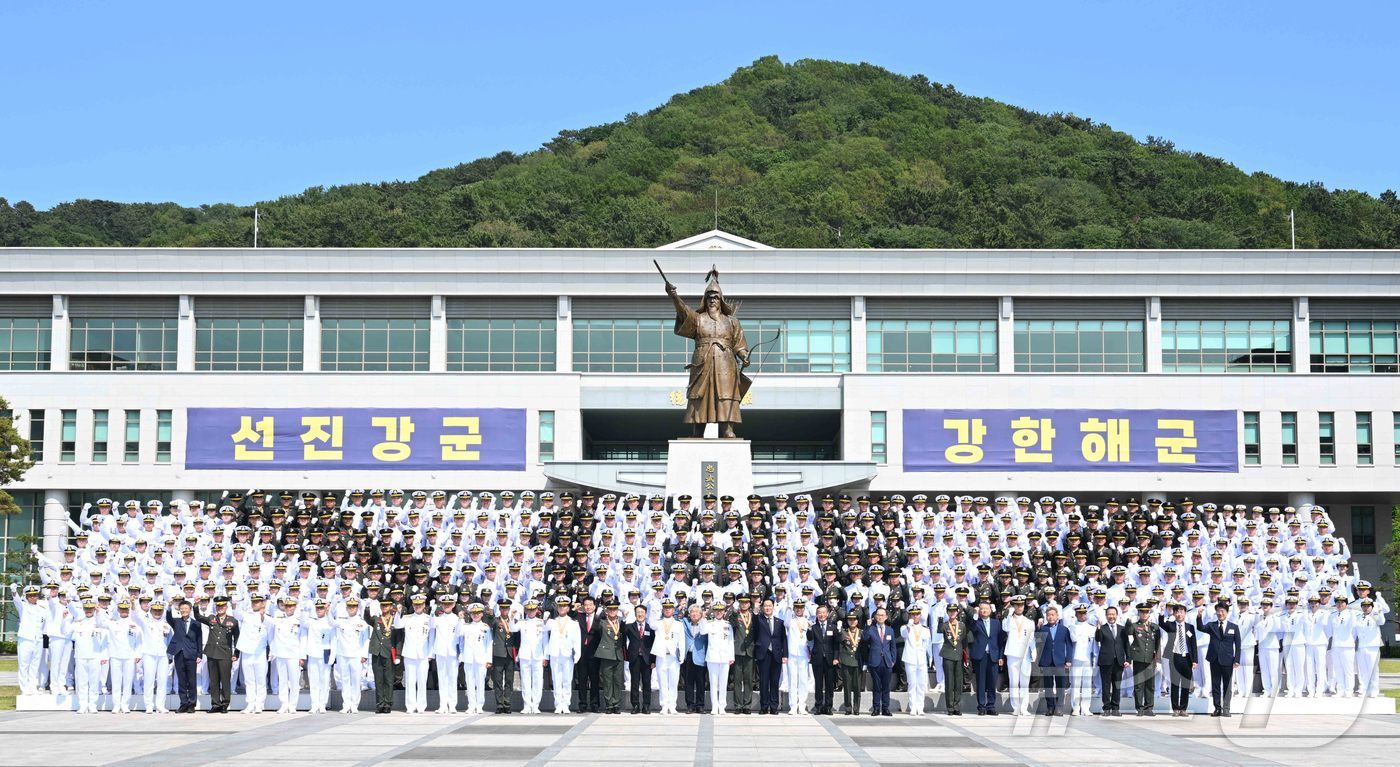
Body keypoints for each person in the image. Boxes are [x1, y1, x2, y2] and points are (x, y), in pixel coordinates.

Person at [1197, 601, 1242, 717]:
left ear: (1227, 612)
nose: (1220, 613)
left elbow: (1238, 645)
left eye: (1222, 611)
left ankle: (1226, 708)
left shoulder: (1234, 627)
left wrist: (1237, 659)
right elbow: (1200, 627)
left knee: (1227, 685)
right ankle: (1217, 708)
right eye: (1218, 611)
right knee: (1215, 685)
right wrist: (1199, 616)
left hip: (1228, 660)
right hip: (1214, 659)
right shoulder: (1211, 625)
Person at [1160, 602, 1198, 716]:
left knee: (1186, 684)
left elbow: (1193, 645)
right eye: (1177, 612)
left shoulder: (1190, 627)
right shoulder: (1171, 625)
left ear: (1185, 613)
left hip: (1187, 658)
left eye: (1181, 611)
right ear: (1174, 613)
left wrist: (1195, 660)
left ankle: (1183, 709)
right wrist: (1162, 612)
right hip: (1174, 657)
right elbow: (1161, 623)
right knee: (1175, 684)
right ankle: (1175, 708)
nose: (1179, 614)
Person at [234, 594, 271, 714]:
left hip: (260, 652)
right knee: (249, 680)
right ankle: (250, 703)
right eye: (253, 601)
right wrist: (236, 601)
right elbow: (236, 613)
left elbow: (271, 631)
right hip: (247, 651)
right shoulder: (246, 615)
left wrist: (262, 616)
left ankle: (259, 704)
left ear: (263, 603)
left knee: (260, 680)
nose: (255, 603)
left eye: (258, 601)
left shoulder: (268, 617)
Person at [332, 597, 370, 714]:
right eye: (349, 606)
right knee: (345, 680)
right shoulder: (341, 620)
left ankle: (354, 704)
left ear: (357, 608)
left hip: (356, 655)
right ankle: (346, 704)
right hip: (342, 654)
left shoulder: (362, 623)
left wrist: (364, 654)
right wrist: (329, 609)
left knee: (356, 680)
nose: (351, 608)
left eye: (354, 606)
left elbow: (366, 640)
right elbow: (330, 622)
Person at [1034, 605, 1073, 716]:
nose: (1050, 617)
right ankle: (1050, 707)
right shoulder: (1043, 628)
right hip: (1047, 661)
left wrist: (1068, 659)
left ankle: (1059, 707)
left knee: (1061, 685)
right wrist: (1038, 628)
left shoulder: (1064, 629)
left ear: (1057, 616)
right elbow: (1037, 642)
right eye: (1048, 615)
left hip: (1060, 661)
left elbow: (1069, 646)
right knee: (1048, 686)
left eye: (1052, 615)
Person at [135, 600, 173, 714]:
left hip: (163, 655)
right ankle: (149, 706)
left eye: (159, 610)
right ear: (151, 610)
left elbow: (170, 640)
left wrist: (170, 655)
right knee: (149, 680)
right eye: (155, 610)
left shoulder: (167, 623)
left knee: (162, 681)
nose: (157, 612)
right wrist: (133, 604)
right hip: (149, 654)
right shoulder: (145, 621)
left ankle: (160, 705)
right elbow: (134, 616)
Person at [545, 596, 581, 714]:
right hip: (555, 654)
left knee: (566, 680)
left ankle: (566, 703)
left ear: (568, 608)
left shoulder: (573, 623)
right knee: (556, 680)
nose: (562, 608)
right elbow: (543, 629)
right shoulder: (552, 622)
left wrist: (577, 654)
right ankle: (558, 703)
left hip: (567, 654)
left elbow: (577, 640)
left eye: (564, 606)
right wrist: (545, 618)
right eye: (560, 606)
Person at [71, 599, 108, 714]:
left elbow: (104, 641)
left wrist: (104, 656)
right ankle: (82, 705)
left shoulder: (99, 622)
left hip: (95, 656)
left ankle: (92, 705)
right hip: (81, 656)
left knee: (94, 683)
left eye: (90, 608)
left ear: (94, 609)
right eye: (86, 608)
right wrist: (64, 619)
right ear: (83, 609)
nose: (88, 611)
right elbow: (65, 631)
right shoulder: (78, 622)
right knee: (81, 683)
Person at [165, 599, 202, 713]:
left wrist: (199, 654)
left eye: (186, 608)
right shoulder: (176, 622)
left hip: (191, 654)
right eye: (182, 609)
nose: (184, 610)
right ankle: (183, 703)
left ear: (190, 610)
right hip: (179, 653)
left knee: (191, 680)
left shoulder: (196, 623)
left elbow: (199, 639)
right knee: (181, 680)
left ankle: (191, 704)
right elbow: (168, 618)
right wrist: (170, 606)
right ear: (179, 610)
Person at [968, 600, 1005, 716]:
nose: (984, 610)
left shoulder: (996, 623)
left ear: (990, 610)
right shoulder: (976, 622)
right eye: (982, 608)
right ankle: (981, 707)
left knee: (992, 682)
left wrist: (1000, 656)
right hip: (981, 655)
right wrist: (975, 615)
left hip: (993, 655)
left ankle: (991, 706)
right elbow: (972, 629)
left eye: (986, 608)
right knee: (981, 682)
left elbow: (1000, 641)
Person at [10, 585, 47, 696]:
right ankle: (24, 688)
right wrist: (13, 591)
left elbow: (43, 624)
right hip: (26, 639)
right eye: (30, 595)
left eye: (35, 595)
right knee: (24, 665)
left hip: (38, 639)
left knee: (35, 665)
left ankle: (32, 687)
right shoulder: (23, 606)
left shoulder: (42, 609)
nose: (33, 597)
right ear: (26, 596)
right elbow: (16, 600)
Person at [1002, 595, 1036, 716]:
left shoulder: (1029, 622)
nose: (1019, 607)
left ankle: (1024, 707)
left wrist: (1034, 650)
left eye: (1021, 605)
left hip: (1025, 655)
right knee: (1014, 681)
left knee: (1025, 682)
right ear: (1013, 606)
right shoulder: (1008, 620)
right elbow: (1004, 628)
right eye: (1016, 605)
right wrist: (1009, 615)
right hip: (1012, 653)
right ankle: (1015, 707)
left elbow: (1032, 639)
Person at [269, 596, 303, 714]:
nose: (288, 608)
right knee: (282, 680)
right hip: (281, 653)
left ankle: (293, 705)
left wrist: (302, 656)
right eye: (287, 606)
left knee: (294, 681)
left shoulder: (299, 620)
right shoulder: (278, 618)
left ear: (295, 607)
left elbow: (303, 639)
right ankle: (284, 703)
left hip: (294, 654)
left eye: (291, 606)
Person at [514, 598, 549, 714]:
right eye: (528, 610)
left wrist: (546, 657)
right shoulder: (522, 622)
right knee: (525, 681)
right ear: (525, 610)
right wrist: (511, 617)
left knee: (538, 681)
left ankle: (536, 705)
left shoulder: (542, 622)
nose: (531, 612)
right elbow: (512, 628)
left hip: (538, 656)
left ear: (537, 610)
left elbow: (545, 641)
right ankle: (526, 705)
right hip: (525, 655)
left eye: (533, 609)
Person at [429, 595, 462, 713]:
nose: (447, 606)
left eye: (449, 604)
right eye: (445, 604)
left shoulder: (457, 618)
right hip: (441, 651)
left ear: (453, 605)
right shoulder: (438, 618)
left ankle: (452, 704)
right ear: (441, 605)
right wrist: (432, 612)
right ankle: (442, 704)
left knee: (453, 678)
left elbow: (460, 635)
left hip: (453, 652)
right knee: (442, 678)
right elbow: (431, 625)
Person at [652, 599, 686, 714]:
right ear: (663, 609)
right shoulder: (658, 622)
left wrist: (682, 655)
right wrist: (656, 611)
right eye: (665, 608)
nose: (667, 610)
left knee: (673, 681)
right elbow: (651, 624)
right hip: (661, 655)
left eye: (669, 608)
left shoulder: (678, 624)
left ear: (673, 609)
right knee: (662, 681)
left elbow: (682, 641)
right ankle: (664, 705)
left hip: (673, 656)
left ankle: (672, 705)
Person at [107, 600, 141, 713]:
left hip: (129, 656)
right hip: (115, 656)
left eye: (126, 609)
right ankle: (116, 705)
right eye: (122, 609)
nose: (124, 611)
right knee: (116, 682)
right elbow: (100, 622)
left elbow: (139, 641)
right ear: (118, 610)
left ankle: (125, 704)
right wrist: (98, 612)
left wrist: (137, 654)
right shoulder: (112, 622)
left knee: (127, 682)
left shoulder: (134, 623)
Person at [1094, 606, 1128, 716]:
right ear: (1106, 615)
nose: (1111, 616)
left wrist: (1129, 659)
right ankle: (1106, 708)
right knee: (1106, 685)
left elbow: (1126, 645)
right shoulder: (1102, 628)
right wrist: (1098, 628)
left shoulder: (1122, 629)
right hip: (1106, 661)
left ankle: (1115, 708)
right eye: (1109, 614)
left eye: (1113, 614)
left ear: (1117, 615)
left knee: (1117, 685)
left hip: (1119, 661)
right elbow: (1098, 639)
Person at [302, 599, 335, 714]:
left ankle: (322, 704)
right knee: (314, 680)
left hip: (325, 654)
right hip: (313, 654)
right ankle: (314, 704)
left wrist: (333, 655)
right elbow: (303, 622)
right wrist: (306, 609)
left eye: (321, 608)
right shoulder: (312, 621)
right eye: (317, 608)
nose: (319, 610)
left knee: (324, 680)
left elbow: (334, 640)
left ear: (325, 609)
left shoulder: (330, 622)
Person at [1127, 604, 1161, 716]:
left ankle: (1149, 708)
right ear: (1139, 613)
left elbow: (1157, 644)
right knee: (1139, 684)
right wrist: (1128, 622)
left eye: (1146, 612)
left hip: (1151, 659)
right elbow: (1127, 632)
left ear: (1149, 613)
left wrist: (1158, 658)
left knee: (1150, 684)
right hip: (1138, 658)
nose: (1144, 614)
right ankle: (1139, 708)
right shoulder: (1135, 625)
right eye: (1142, 612)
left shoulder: (1154, 627)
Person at [900, 605, 934, 716]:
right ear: (909, 615)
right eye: (913, 614)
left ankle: (920, 707)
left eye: (917, 614)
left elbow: (927, 644)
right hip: (910, 658)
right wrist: (909, 625)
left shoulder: (925, 629)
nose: (915, 616)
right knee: (912, 684)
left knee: (921, 684)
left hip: (922, 659)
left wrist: (930, 657)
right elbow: (904, 634)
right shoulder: (905, 627)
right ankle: (913, 707)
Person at [863, 606, 897, 717]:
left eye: (882, 615)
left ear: (886, 617)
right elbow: (865, 638)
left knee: (886, 686)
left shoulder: (890, 630)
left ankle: (886, 708)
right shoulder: (871, 629)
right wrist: (867, 626)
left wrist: (893, 660)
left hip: (887, 662)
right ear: (875, 616)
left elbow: (893, 647)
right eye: (878, 615)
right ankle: (876, 708)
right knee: (876, 686)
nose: (880, 617)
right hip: (875, 661)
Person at [808, 603, 841, 715]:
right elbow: (809, 638)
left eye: (823, 613)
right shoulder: (814, 627)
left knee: (829, 684)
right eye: (819, 613)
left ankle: (828, 706)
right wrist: (808, 629)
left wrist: (836, 658)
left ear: (827, 614)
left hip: (830, 659)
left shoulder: (833, 626)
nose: (821, 615)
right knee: (818, 684)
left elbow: (836, 644)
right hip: (817, 659)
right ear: (816, 615)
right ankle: (818, 706)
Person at [754, 598, 786, 715]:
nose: (767, 608)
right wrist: (756, 611)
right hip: (763, 654)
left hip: (776, 654)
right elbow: (754, 621)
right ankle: (764, 706)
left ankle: (774, 706)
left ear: (773, 607)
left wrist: (785, 655)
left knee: (774, 681)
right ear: (763, 608)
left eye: (770, 606)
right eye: (765, 606)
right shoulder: (759, 620)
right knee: (763, 681)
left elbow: (784, 639)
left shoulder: (780, 622)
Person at [624, 603, 656, 714]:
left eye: (642, 612)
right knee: (634, 682)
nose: (640, 614)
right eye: (638, 612)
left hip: (647, 659)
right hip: (634, 658)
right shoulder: (629, 627)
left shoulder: (650, 628)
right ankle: (635, 705)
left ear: (646, 614)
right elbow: (622, 640)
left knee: (647, 683)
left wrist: (653, 660)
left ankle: (646, 706)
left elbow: (653, 644)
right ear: (635, 614)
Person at [461, 602, 492, 714]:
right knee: (469, 682)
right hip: (468, 658)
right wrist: (461, 619)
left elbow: (489, 644)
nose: (475, 615)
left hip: (481, 659)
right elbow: (459, 638)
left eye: (478, 613)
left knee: (480, 683)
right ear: (470, 614)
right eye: (473, 613)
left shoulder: (486, 627)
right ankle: (471, 705)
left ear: (482, 614)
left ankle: (479, 705)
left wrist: (489, 659)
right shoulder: (466, 626)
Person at [368, 600, 399, 714]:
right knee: (378, 680)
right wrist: (367, 607)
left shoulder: (395, 620)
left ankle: (388, 704)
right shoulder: (376, 619)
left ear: (391, 606)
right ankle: (380, 704)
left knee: (389, 680)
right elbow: (367, 618)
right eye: (383, 605)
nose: (385, 607)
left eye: (387, 605)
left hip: (389, 652)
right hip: (377, 652)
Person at [729, 595, 758, 714]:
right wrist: (735, 612)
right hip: (737, 650)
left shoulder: (753, 616)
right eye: (742, 603)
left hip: (750, 651)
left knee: (748, 679)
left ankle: (747, 705)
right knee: (737, 679)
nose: (744, 605)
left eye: (746, 602)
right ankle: (737, 705)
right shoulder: (735, 615)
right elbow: (734, 623)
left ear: (749, 604)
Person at [704, 602, 734, 715]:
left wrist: (731, 656)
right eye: (716, 610)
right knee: (713, 683)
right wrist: (703, 617)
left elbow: (730, 642)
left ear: (724, 611)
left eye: (721, 610)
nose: (719, 612)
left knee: (723, 682)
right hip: (712, 657)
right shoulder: (709, 623)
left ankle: (722, 706)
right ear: (713, 611)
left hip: (725, 657)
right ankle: (714, 706)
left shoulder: (728, 624)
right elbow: (702, 631)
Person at [937, 603, 967, 716]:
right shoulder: (945, 625)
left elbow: (963, 640)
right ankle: (950, 707)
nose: (952, 613)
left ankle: (957, 706)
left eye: (954, 611)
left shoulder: (962, 625)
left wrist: (965, 656)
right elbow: (939, 631)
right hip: (948, 654)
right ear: (947, 612)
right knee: (949, 682)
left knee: (958, 682)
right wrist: (940, 619)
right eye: (950, 611)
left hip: (958, 655)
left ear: (957, 612)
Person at [596, 601, 626, 714]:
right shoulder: (602, 622)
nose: (612, 611)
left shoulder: (621, 622)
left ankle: (617, 704)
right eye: (610, 609)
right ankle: (609, 704)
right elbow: (594, 626)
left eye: (615, 609)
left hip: (618, 654)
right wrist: (599, 613)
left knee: (618, 680)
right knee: (607, 681)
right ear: (607, 611)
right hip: (606, 654)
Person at [1066, 604, 1096, 716]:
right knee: (1075, 684)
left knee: (1087, 685)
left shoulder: (1092, 628)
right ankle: (1075, 707)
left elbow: (1094, 646)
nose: (1082, 615)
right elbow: (1073, 639)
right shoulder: (1072, 627)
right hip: (1076, 658)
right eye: (1079, 612)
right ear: (1076, 614)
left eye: (1084, 612)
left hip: (1088, 658)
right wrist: (1073, 625)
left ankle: (1086, 707)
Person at [491, 601, 519, 713]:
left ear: (509, 609)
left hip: (510, 654)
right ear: (499, 609)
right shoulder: (495, 621)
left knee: (509, 680)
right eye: (502, 609)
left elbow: (517, 638)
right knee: (497, 680)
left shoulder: (514, 621)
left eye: (506, 609)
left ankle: (507, 703)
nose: (504, 611)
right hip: (498, 653)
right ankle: (499, 704)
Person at [786, 599, 813, 714]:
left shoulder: (808, 622)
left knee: (803, 681)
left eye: (801, 607)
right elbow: (785, 621)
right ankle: (792, 706)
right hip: (792, 653)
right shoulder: (790, 621)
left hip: (803, 654)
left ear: (804, 609)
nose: (799, 609)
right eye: (796, 607)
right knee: (792, 680)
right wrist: (788, 605)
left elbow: (811, 639)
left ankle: (802, 705)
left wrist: (810, 650)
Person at [577, 596, 603, 713]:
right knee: (582, 680)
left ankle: (595, 704)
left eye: (590, 605)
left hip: (594, 654)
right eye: (586, 605)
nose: (588, 607)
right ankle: (582, 704)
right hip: (581, 654)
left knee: (594, 680)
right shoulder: (578, 618)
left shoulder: (600, 619)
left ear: (594, 606)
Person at [682, 604, 709, 713]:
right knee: (688, 682)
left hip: (700, 655)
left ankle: (700, 705)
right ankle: (690, 705)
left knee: (700, 681)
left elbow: (704, 632)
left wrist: (703, 620)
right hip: (688, 655)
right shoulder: (685, 622)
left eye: (697, 612)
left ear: (701, 614)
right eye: (692, 612)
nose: (694, 614)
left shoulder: (705, 623)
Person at [839, 612, 864, 715]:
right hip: (846, 661)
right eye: (850, 619)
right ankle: (848, 708)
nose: (852, 621)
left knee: (857, 687)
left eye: (854, 619)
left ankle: (857, 708)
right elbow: (838, 642)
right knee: (847, 687)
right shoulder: (843, 632)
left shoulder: (862, 632)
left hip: (858, 661)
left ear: (857, 621)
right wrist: (838, 631)